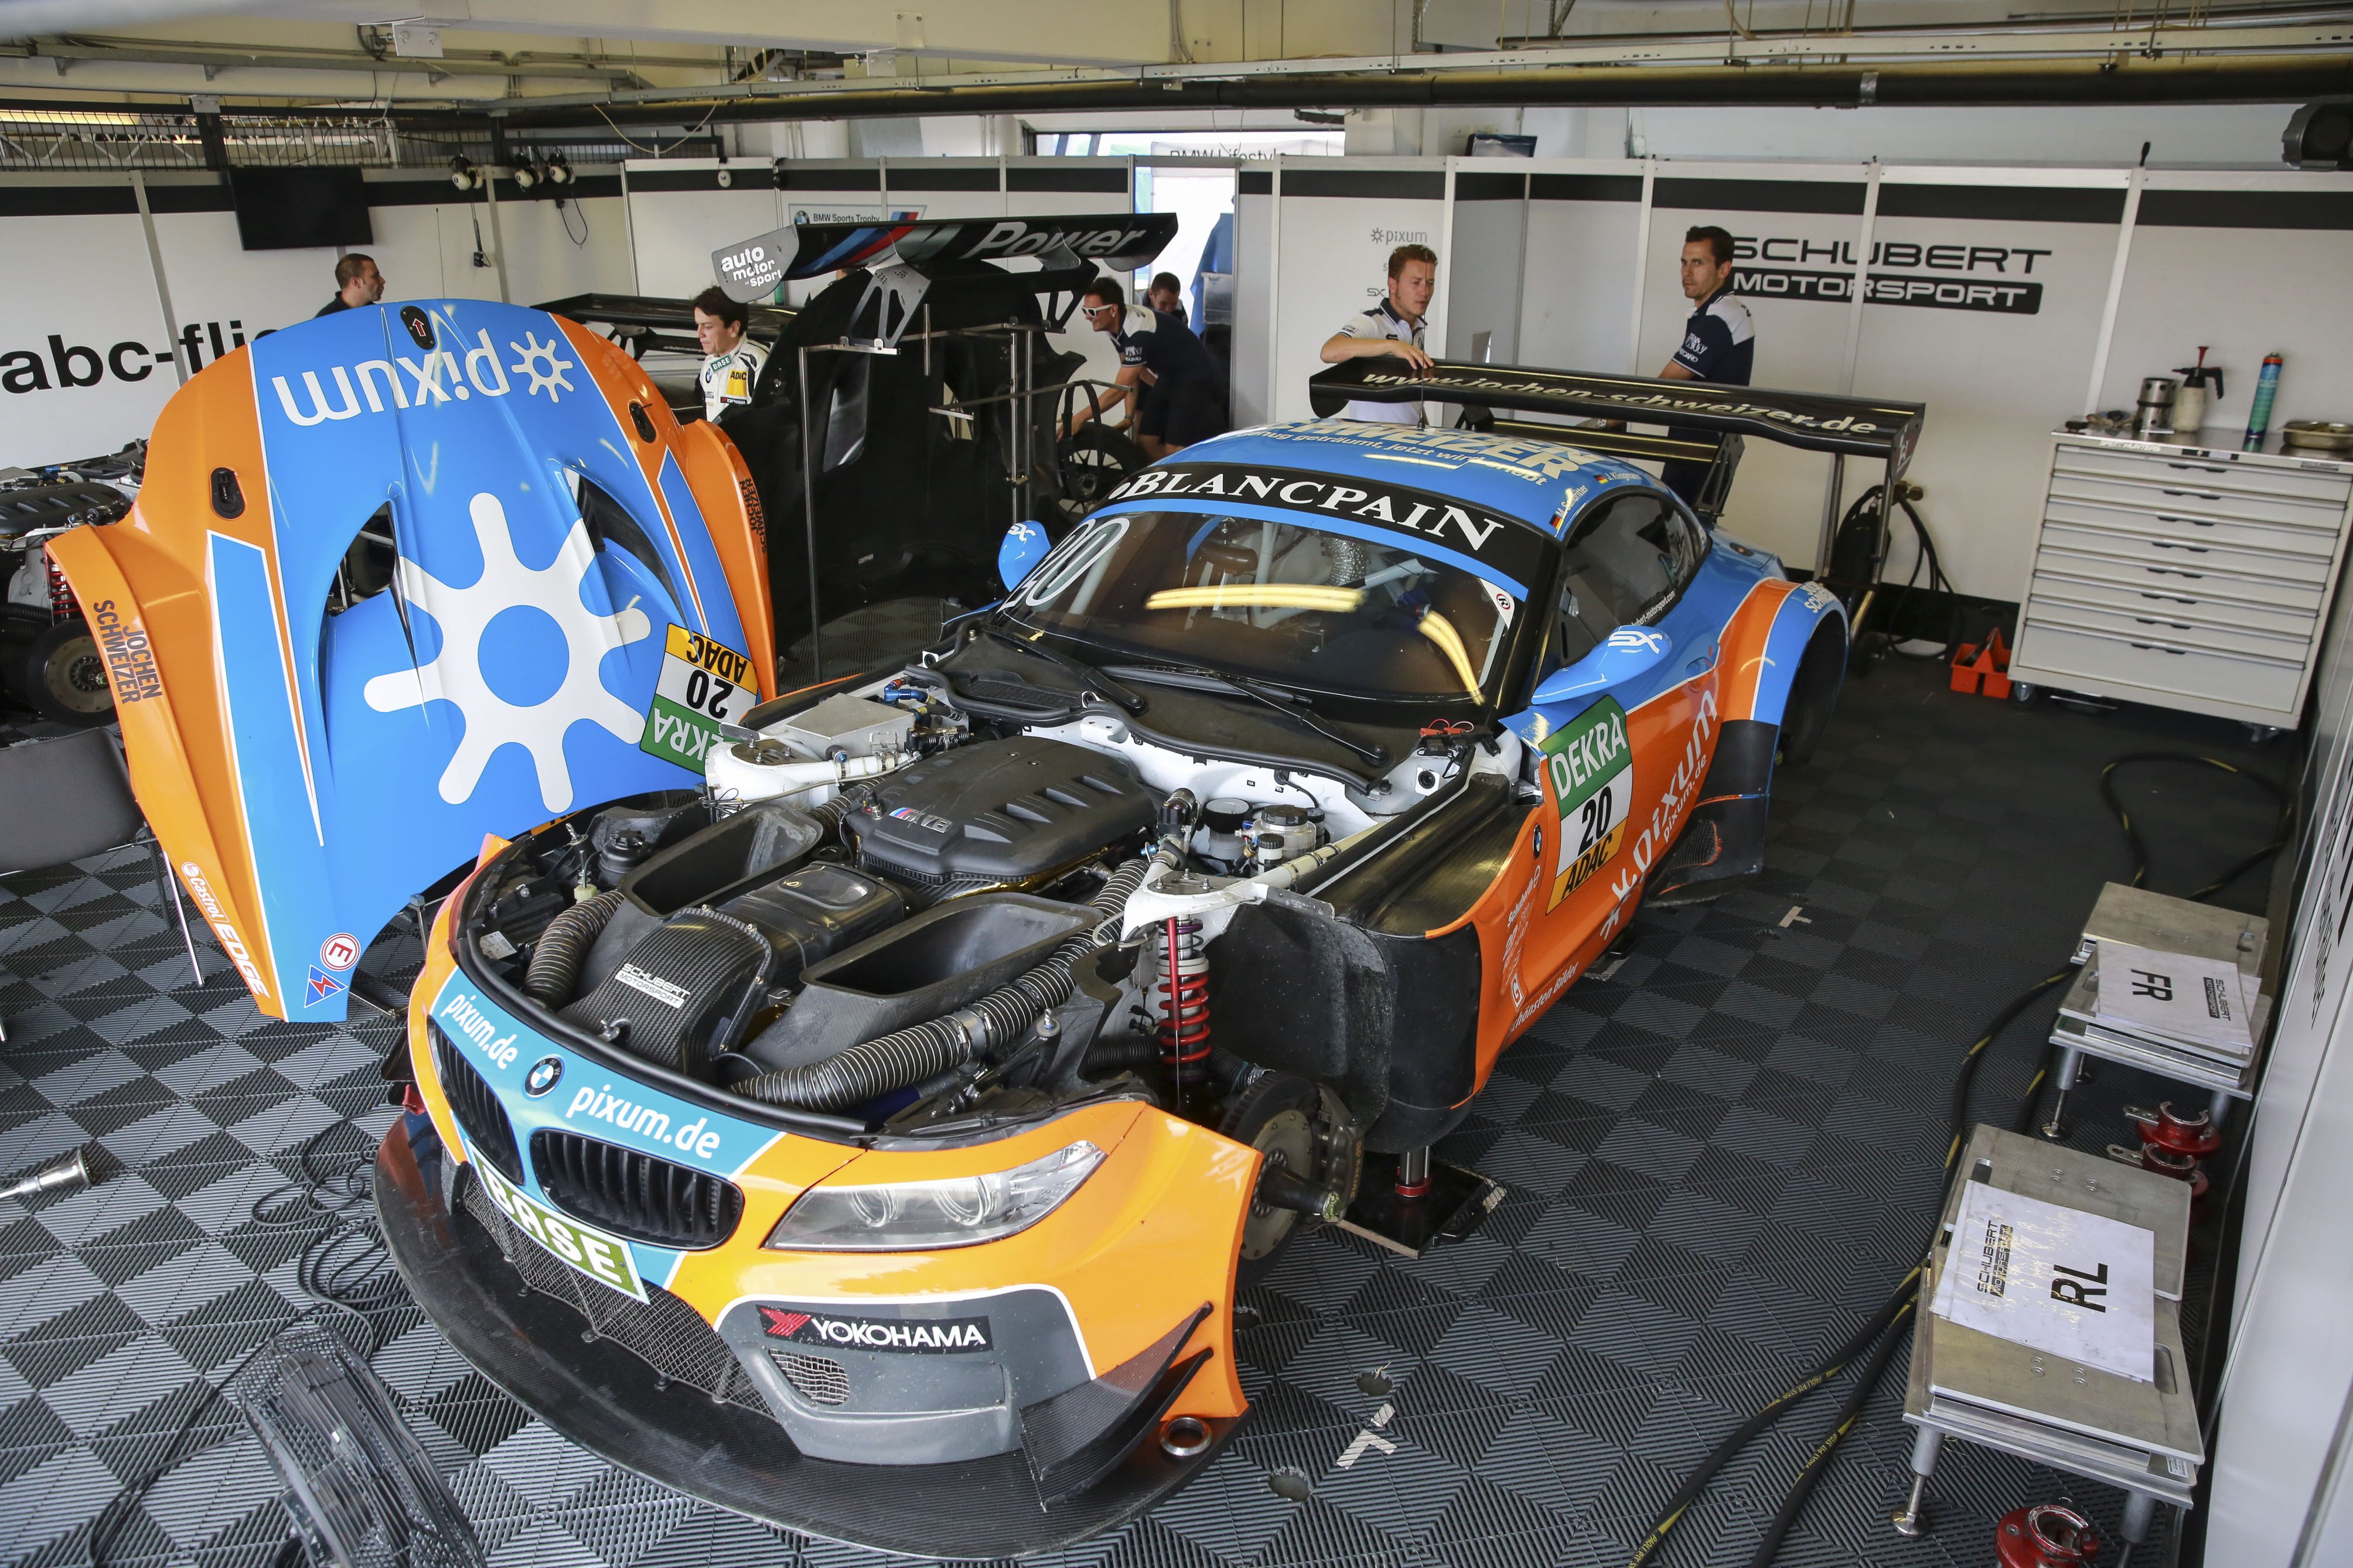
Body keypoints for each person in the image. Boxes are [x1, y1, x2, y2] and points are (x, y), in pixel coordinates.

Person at [1062, 276, 1226, 459]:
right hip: (1169, 375)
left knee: (1174, 449)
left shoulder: (1136, 332)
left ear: (1113, 309)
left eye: (1092, 312)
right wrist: (1129, 417)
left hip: (1193, 374)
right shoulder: (1116, 326)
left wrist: (1079, 418)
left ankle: (1198, 474)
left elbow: (1119, 389)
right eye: (1085, 311)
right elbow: (1133, 375)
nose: (1087, 316)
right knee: (1145, 444)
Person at [1655, 225, 1754, 510]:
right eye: (1684, 262)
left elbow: (1662, 386)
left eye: (1698, 263)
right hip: (1696, 447)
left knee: (1676, 530)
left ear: (1724, 269)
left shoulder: (1721, 318)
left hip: (1702, 452)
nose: (1687, 272)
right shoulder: (1716, 311)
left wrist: (1606, 420)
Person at [1319, 244, 1437, 425]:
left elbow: (1410, 402)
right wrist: (1392, 346)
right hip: (1371, 440)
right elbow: (1329, 352)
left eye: (1430, 283)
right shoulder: (1372, 322)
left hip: (1408, 439)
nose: (1425, 292)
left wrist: (1426, 430)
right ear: (1393, 285)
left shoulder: (1418, 328)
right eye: (1416, 283)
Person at [692, 285, 768, 423]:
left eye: (708, 327)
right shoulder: (708, 365)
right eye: (698, 325)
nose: (699, 334)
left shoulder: (758, 362)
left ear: (733, 329)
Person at [315, 254, 383, 317]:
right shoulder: (324, 321)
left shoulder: (379, 314)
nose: (382, 281)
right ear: (356, 282)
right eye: (375, 276)